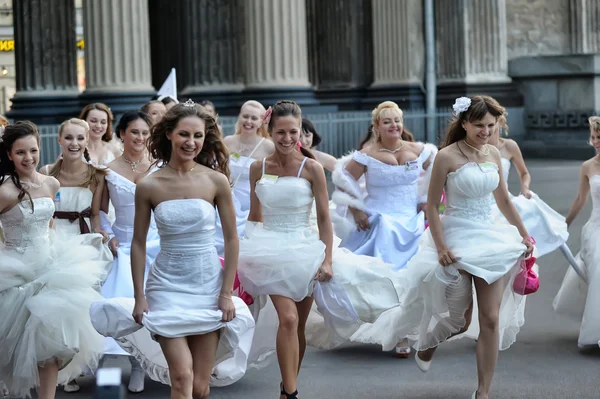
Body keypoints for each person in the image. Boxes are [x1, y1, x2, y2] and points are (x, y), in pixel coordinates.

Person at [351, 96, 535, 399]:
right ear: (463, 123)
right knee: (459, 320)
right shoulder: (447, 156)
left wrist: (525, 235)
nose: (486, 131)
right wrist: (440, 247)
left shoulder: (492, 154)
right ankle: (429, 344)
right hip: (456, 239)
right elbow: (434, 207)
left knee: (490, 318)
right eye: (479, 125)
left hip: (490, 239)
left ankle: (483, 392)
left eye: (491, 125)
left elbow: (503, 199)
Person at [90, 100, 255, 397]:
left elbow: (231, 239)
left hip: (208, 287)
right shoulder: (149, 185)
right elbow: (138, 243)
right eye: (183, 134)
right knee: (181, 378)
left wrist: (227, 292)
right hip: (165, 287)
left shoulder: (216, 181)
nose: (190, 142)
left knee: (201, 387)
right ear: (168, 134)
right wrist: (139, 297)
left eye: (197, 136)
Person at [0, 121, 106, 399]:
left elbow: (50, 224)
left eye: (33, 151)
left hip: (50, 268)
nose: (29, 158)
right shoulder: (4, 190)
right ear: (9, 154)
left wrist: (58, 251)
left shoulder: (51, 183)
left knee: (52, 347)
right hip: (14, 271)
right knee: (11, 350)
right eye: (20, 152)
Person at [39, 118, 114, 393]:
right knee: (55, 306)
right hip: (54, 240)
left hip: (82, 242)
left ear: (86, 141)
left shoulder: (97, 174)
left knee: (80, 309)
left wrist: (101, 237)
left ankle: (73, 369)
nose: (74, 143)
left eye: (79, 138)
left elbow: (95, 215)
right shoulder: (47, 172)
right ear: (59, 140)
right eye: (68, 138)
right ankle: (55, 367)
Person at [552, 115, 600, 349]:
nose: (596, 141)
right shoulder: (587, 167)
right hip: (596, 228)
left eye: (599, 137)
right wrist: (564, 224)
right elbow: (581, 199)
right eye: (593, 137)